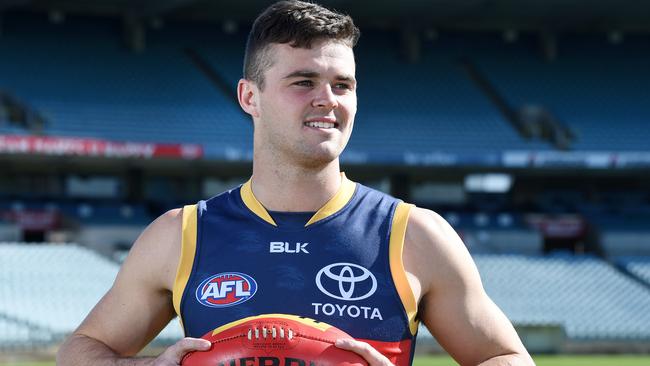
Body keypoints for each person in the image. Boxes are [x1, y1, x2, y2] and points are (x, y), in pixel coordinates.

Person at [57, 1, 534, 365]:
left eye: (342, 85)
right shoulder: (181, 234)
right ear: (250, 97)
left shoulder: (414, 234)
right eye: (303, 82)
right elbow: (80, 351)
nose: (327, 100)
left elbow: (509, 358)